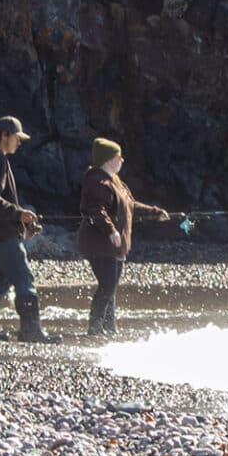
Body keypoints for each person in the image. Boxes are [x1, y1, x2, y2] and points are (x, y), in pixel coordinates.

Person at [0, 117, 56, 343]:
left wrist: (19, 221)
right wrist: (19, 214)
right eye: (17, 137)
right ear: (4, 135)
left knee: (1, 280)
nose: (19, 142)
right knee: (24, 278)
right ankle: (30, 331)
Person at [76, 136, 174, 337]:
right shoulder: (96, 181)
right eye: (118, 156)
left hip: (115, 246)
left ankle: (110, 327)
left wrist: (155, 213)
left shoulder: (116, 181)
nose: (122, 160)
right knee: (107, 285)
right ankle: (95, 326)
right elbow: (95, 209)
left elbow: (131, 206)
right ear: (108, 159)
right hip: (100, 244)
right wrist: (111, 231)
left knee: (111, 287)